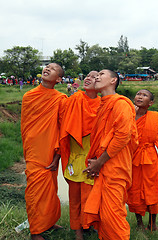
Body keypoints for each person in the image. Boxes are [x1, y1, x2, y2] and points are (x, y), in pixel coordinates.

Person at [83, 69, 138, 240]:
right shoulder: (103, 104)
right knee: (105, 216)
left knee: (113, 215)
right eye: (95, 75)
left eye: (101, 74)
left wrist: (99, 162)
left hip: (115, 167)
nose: (97, 77)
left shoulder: (120, 104)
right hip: (104, 166)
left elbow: (122, 137)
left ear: (114, 80)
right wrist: (97, 163)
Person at [21, 63, 67, 240]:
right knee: (35, 190)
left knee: (50, 188)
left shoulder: (61, 98)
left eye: (53, 69)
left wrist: (57, 156)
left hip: (51, 148)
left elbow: (62, 128)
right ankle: (36, 231)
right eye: (46, 66)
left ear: (59, 79)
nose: (47, 69)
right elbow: (26, 126)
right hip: (34, 149)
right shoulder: (29, 96)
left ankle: (48, 221)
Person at [60, 71, 100, 240]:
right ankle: (78, 231)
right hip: (76, 156)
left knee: (93, 197)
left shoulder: (105, 104)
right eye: (88, 76)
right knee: (75, 197)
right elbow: (61, 121)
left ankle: (91, 225)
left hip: (95, 159)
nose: (89, 78)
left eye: (95, 76)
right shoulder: (74, 100)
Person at [127, 89, 158, 231]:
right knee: (134, 189)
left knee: (152, 189)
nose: (140, 96)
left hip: (150, 159)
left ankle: (152, 223)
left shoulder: (155, 117)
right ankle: (139, 223)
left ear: (151, 102)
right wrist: (131, 114)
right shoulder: (128, 115)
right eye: (138, 94)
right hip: (132, 157)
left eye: (144, 95)